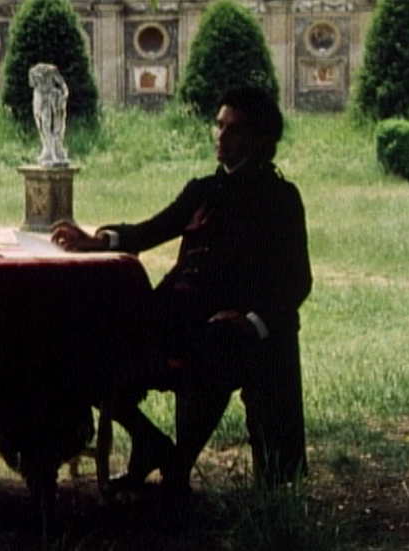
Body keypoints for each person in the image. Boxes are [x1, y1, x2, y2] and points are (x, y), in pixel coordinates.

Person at [51, 86, 312, 500]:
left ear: (261, 140)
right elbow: (150, 230)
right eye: (218, 125)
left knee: (218, 347)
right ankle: (151, 442)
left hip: (229, 325)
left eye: (233, 130)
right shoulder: (203, 190)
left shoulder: (280, 198)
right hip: (176, 313)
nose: (220, 136)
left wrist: (252, 322)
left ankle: (179, 465)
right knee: (85, 340)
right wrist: (98, 240)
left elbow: (296, 280)